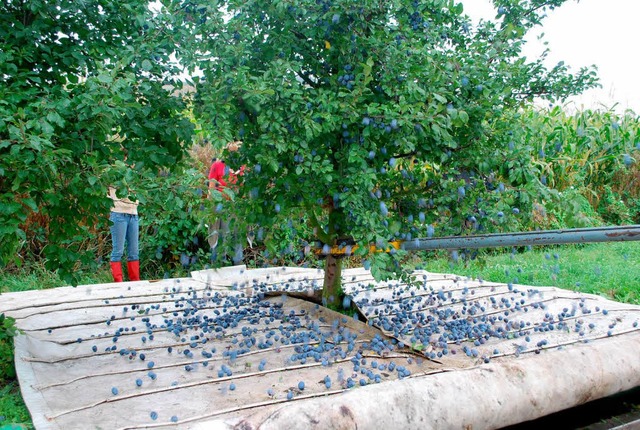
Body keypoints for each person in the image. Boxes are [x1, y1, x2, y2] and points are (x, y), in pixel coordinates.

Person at [207, 141, 245, 251]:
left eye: (236, 152)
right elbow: (211, 187)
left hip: (237, 206)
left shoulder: (244, 167)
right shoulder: (217, 165)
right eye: (230, 152)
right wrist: (212, 207)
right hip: (221, 205)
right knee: (222, 233)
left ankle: (238, 262)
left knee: (237, 233)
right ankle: (219, 262)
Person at [108, 186, 140, 282]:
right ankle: (119, 283)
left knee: (134, 252)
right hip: (118, 213)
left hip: (133, 214)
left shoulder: (138, 174)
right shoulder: (115, 172)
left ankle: (136, 283)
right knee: (118, 251)